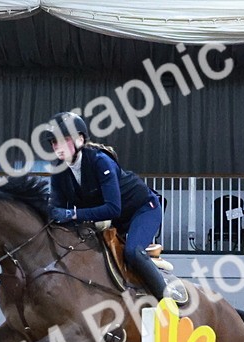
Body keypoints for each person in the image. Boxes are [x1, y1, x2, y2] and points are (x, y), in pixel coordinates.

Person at [45, 112, 177, 302]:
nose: (58, 147)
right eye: (54, 142)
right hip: (113, 221)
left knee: (133, 252)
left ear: (80, 139)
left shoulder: (100, 161)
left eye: (63, 140)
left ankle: (168, 301)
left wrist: (72, 214)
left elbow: (113, 209)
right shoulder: (59, 171)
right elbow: (56, 209)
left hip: (143, 209)